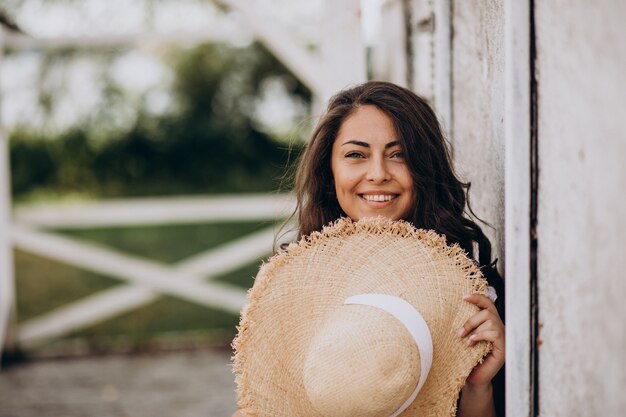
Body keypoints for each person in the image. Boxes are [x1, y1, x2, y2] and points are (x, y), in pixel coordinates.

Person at [233, 81, 505, 417]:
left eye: (399, 154)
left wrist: (478, 386)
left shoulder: (472, 295)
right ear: (329, 169)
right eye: (356, 155)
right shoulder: (293, 290)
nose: (377, 174)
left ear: (424, 166)